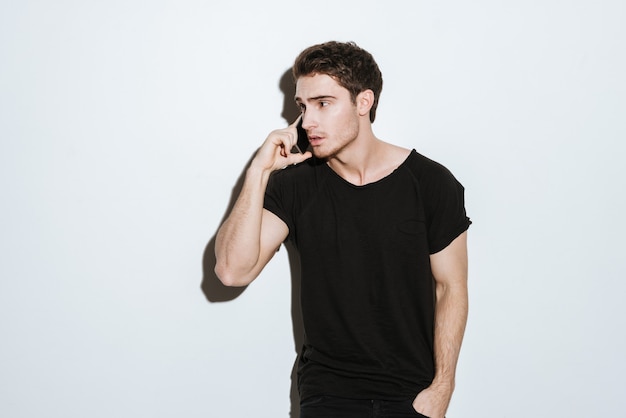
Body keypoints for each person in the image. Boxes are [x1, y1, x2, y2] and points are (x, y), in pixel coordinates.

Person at [215, 41, 471, 418]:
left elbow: (452, 287)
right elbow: (232, 271)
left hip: (412, 395)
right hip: (328, 395)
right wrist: (259, 172)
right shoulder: (295, 185)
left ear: (363, 102)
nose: (307, 121)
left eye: (323, 103)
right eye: (302, 107)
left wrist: (441, 389)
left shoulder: (431, 183)